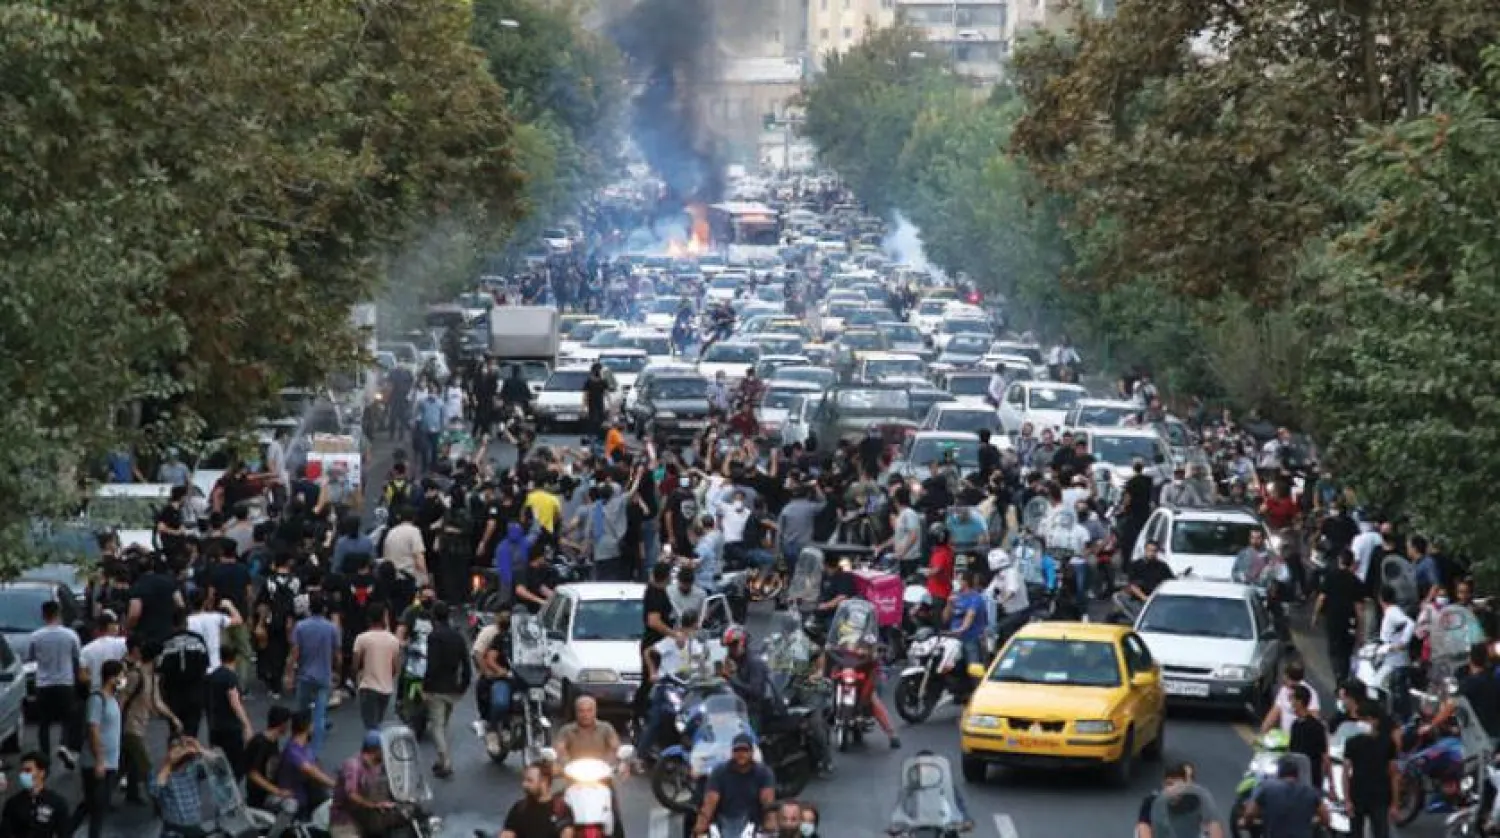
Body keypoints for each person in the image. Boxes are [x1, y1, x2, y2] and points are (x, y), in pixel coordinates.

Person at [25, 600, 81, 768]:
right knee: (67, 718)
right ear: (59, 613)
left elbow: (31, 658)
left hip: (43, 683)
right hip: (65, 682)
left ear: (43, 615)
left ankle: (44, 756)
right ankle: (64, 744)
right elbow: (76, 658)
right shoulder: (70, 635)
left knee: (44, 722)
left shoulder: (36, 636)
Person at [72, 659, 123, 838]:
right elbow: (93, 730)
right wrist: (99, 760)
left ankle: (66, 830)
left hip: (111, 761)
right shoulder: (97, 699)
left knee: (94, 804)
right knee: (97, 807)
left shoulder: (114, 699)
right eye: (121, 676)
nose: (123, 680)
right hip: (96, 763)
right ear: (112, 678)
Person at [286, 593, 341, 758]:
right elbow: (337, 654)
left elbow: (294, 653)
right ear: (324, 609)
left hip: (304, 675)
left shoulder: (301, 627)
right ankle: (313, 752)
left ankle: (297, 746)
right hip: (323, 676)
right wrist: (337, 672)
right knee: (319, 715)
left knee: (301, 712)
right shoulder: (331, 628)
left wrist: (289, 675)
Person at [691, 733, 776, 837]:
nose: (741, 754)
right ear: (732, 752)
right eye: (737, 750)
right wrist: (699, 828)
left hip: (753, 823)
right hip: (723, 823)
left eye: (745, 750)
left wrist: (770, 828)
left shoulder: (764, 773)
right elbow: (710, 802)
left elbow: (767, 803)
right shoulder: (719, 772)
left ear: (752, 752)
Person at [422, 600, 471, 778]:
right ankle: (441, 759)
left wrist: (426, 686)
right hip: (453, 688)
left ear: (434, 617)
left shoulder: (434, 637)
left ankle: (446, 760)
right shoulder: (458, 636)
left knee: (437, 727)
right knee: (443, 725)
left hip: (437, 688)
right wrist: (464, 685)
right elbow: (466, 663)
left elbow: (432, 665)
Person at [1341, 701, 1399, 838]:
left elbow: (1394, 774)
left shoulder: (1387, 743)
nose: (1362, 723)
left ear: (1375, 721)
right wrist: (1347, 800)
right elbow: (1346, 773)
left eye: (1366, 719)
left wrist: (1395, 804)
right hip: (1357, 796)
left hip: (1380, 797)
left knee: (1381, 833)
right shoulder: (1352, 743)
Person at [1240, 757, 1328, 838]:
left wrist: (1245, 823)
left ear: (1279, 773)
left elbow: (1250, 814)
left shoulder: (1266, 787)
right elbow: (1326, 819)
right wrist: (1310, 822)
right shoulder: (1311, 792)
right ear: (1297, 775)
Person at [329, 731, 396, 838]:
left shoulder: (378, 766)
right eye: (384, 749)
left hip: (368, 819)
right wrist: (374, 805)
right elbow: (351, 794)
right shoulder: (353, 765)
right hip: (345, 822)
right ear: (376, 750)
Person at [1312, 549, 1365, 682]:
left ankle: (1338, 675)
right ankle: (1344, 675)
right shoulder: (1356, 582)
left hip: (1333, 619)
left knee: (1334, 650)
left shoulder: (1330, 577)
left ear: (1339, 561)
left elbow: (1321, 598)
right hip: (1349, 621)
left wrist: (1315, 615)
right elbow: (1359, 608)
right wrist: (1360, 630)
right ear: (1352, 563)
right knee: (1346, 651)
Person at [158, 608, 210, 739]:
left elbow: (159, 670)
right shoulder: (198, 640)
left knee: (176, 731)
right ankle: (191, 756)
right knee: (192, 733)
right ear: (186, 623)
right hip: (195, 692)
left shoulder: (165, 642)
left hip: (173, 694)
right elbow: (205, 664)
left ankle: (176, 755)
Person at [275, 711, 337, 819]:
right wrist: (335, 784)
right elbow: (310, 770)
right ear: (309, 727)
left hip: (311, 795)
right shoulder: (293, 751)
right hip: (297, 800)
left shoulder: (304, 748)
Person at [205, 645, 254, 777]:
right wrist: (246, 724)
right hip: (231, 727)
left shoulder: (212, 676)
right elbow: (235, 702)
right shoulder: (231, 677)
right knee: (236, 766)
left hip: (215, 726)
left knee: (219, 765)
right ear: (235, 659)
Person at [352, 603, 401, 731]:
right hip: (386, 689)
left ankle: (373, 749)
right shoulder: (393, 640)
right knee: (378, 722)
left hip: (368, 687)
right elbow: (396, 668)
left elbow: (355, 665)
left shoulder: (362, 638)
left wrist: (357, 678)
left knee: (370, 726)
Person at [152, 736, 212, 838]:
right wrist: (169, 763)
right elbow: (154, 790)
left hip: (194, 825)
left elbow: (220, 768)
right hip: (174, 827)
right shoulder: (161, 772)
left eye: (182, 747)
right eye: (175, 748)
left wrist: (199, 749)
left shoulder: (194, 768)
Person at [0, 752, 70, 838]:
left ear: (41, 772)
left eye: (28, 770)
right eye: (22, 771)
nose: (23, 775)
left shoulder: (57, 803)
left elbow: (64, 833)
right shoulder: (13, 803)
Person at [500, 762, 575, 838]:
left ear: (544, 781)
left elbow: (567, 834)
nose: (524, 784)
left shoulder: (561, 810)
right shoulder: (519, 808)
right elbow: (507, 834)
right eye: (524, 780)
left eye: (529, 781)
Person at [245, 706, 295, 811]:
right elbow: (253, 774)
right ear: (282, 724)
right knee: (291, 804)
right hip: (260, 796)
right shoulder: (260, 743)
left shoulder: (273, 740)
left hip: (270, 789)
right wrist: (277, 791)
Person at [1259, 661, 1322, 736]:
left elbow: (1314, 719)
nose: (1283, 678)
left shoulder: (1309, 693)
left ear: (1291, 679)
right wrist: (1262, 732)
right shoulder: (1283, 690)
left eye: (1285, 677)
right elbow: (1274, 713)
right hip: (1285, 738)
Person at [945, 569, 989, 674]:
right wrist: (949, 604)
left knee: (974, 669)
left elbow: (970, 616)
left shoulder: (975, 598)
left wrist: (962, 629)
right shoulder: (955, 597)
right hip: (954, 639)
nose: (955, 582)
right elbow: (945, 618)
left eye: (958, 579)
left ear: (966, 582)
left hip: (970, 637)